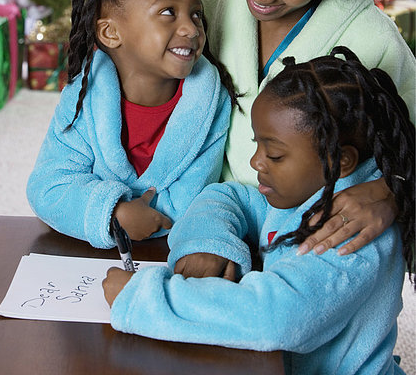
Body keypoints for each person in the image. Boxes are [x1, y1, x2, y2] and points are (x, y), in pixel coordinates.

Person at [103, 47, 414, 374]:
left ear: (340, 160)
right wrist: (209, 244)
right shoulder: (310, 192)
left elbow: (277, 317)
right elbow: (227, 196)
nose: (256, 162)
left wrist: (142, 297)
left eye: (275, 155)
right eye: (257, 145)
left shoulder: (352, 236)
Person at [198, 0, 415, 255]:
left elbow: (408, 142)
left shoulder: (371, 41)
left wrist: (389, 192)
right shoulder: (209, 4)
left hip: (310, 241)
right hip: (212, 221)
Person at [27, 0, 233, 248]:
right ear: (111, 33)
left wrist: (147, 220)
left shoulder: (210, 102)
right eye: (168, 12)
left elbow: (193, 198)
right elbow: (47, 187)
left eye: (196, 14)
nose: (191, 28)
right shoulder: (84, 97)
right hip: (86, 253)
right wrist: (114, 215)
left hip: (168, 251)